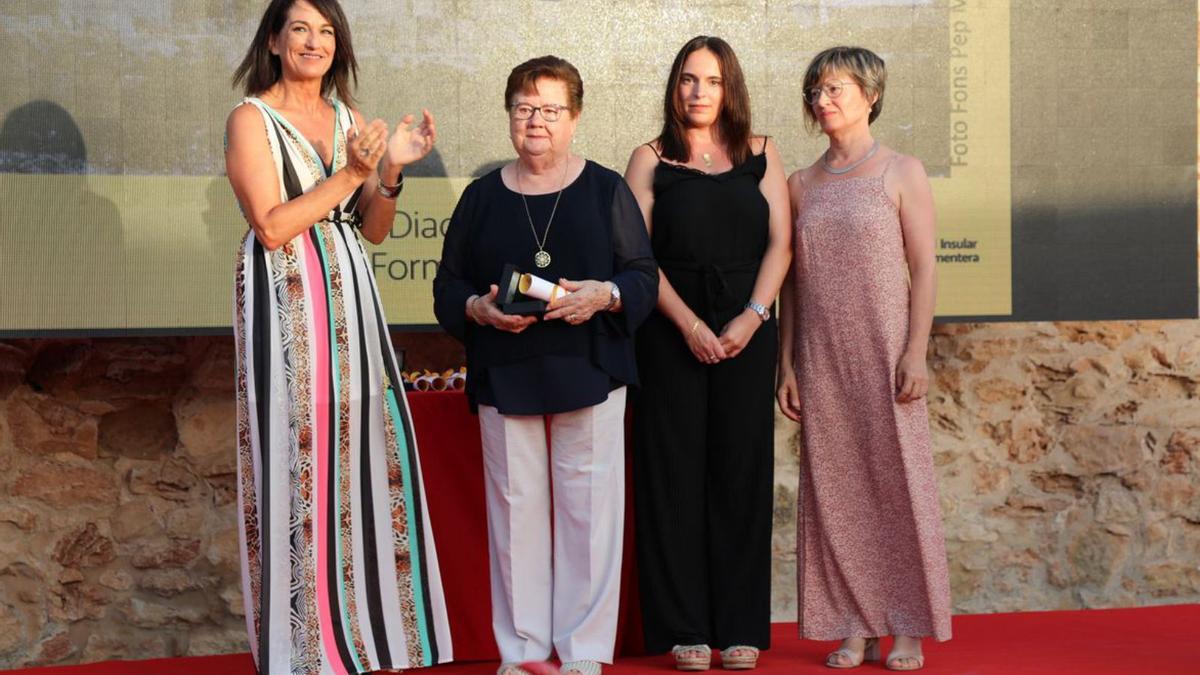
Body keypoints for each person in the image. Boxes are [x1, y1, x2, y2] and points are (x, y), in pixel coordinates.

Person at [225, 1, 452, 672]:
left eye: (327, 31)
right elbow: (271, 225)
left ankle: (360, 636)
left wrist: (390, 172)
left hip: (350, 297)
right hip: (285, 299)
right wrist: (352, 173)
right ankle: (301, 647)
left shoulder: (350, 119)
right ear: (273, 40)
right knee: (295, 455)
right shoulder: (250, 117)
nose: (315, 41)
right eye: (300, 28)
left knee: (357, 453)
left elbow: (374, 228)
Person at [432, 56, 658, 675]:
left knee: (590, 519)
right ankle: (525, 654)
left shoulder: (606, 188)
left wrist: (603, 295)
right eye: (524, 108)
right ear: (509, 116)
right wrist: (476, 308)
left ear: (575, 119)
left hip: (590, 367)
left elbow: (641, 276)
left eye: (550, 109)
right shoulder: (481, 197)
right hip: (506, 372)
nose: (536, 121)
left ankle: (583, 655)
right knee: (515, 516)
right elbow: (448, 287)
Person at [777, 46, 951, 671]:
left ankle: (906, 625)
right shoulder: (800, 184)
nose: (823, 100)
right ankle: (854, 622)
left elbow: (925, 265)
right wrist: (788, 364)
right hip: (821, 357)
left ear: (871, 95)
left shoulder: (902, 171)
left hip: (885, 352)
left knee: (897, 486)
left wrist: (915, 351)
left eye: (836, 89)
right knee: (835, 494)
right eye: (816, 91)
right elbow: (791, 282)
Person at [624, 36, 791, 672]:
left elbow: (782, 244)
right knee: (672, 476)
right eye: (689, 79)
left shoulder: (762, 152)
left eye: (713, 81)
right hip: (669, 332)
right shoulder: (649, 158)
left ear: (731, 88)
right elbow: (635, 256)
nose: (699, 92)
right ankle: (684, 627)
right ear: (674, 87)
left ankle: (740, 625)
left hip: (748, 328)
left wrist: (751, 318)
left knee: (741, 476)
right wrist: (689, 322)